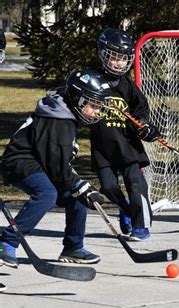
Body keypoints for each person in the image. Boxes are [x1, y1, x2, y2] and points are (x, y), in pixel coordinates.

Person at [0, 70, 111, 267]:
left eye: (98, 106)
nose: (96, 111)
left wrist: (80, 188)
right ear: (77, 99)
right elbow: (57, 166)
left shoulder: (65, 112)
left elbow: (58, 162)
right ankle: (7, 240)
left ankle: (73, 247)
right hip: (19, 161)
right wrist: (82, 186)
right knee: (47, 193)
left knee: (77, 196)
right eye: (93, 105)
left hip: (41, 161)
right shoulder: (59, 121)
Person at [90, 28, 159, 241]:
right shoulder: (92, 79)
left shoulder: (128, 87)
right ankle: (126, 208)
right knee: (109, 188)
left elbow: (141, 113)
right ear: (103, 54)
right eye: (115, 57)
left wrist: (145, 127)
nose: (119, 63)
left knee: (136, 185)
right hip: (103, 149)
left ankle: (141, 227)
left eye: (124, 59)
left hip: (129, 147)